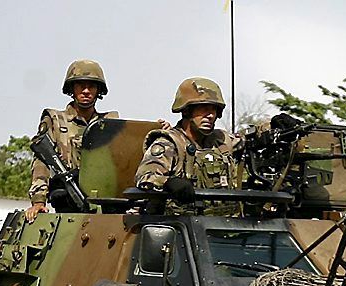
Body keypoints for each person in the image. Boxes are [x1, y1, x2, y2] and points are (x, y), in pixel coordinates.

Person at [25, 60, 118, 222]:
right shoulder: (56, 120)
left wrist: (158, 131)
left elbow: (126, 158)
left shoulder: (109, 123)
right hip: (68, 204)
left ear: (98, 91)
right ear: (72, 89)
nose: (86, 91)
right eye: (80, 85)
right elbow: (41, 162)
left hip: (105, 207)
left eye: (92, 86)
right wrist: (39, 201)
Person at [134, 77, 242, 214]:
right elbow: (145, 176)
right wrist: (168, 182)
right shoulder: (170, 143)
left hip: (226, 226)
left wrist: (271, 126)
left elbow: (250, 138)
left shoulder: (222, 140)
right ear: (186, 111)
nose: (210, 115)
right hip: (181, 227)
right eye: (203, 108)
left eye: (213, 110)